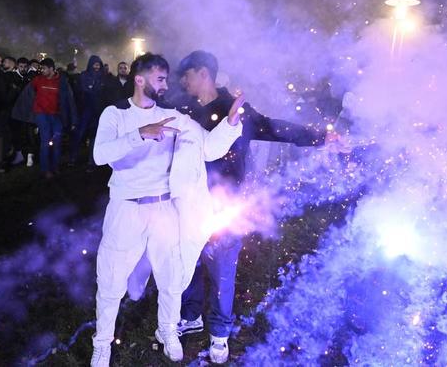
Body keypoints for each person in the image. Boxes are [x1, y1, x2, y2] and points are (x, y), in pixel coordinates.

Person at [174, 50, 349, 363]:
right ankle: (190, 315)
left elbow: (274, 128)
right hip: (188, 201)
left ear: (203, 73)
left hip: (225, 204)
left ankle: (219, 332)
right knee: (188, 261)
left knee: (222, 268)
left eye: (186, 76)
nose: (182, 82)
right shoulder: (184, 110)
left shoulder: (235, 109)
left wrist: (322, 137)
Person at [89, 53, 245, 367]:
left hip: (164, 208)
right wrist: (139, 134)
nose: (165, 85)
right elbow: (100, 155)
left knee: (172, 278)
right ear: (139, 79)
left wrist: (230, 125)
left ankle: (168, 330)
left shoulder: (173, 117)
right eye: (160, 79)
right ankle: (102, 343)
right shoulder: (115, 114)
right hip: (126, 210)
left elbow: (208, 148)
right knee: (111, 280)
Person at [29, 58, 76, 178]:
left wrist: (73, 118)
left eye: (44, 68)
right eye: (41, 68)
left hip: (56, 115)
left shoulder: (62, 82)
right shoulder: (37, 80)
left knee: (57, 141)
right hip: (41, 114)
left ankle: (55, 166)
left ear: (51, 69)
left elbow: (69, 100)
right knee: (45, 141)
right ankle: (45, 169)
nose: (42, 70)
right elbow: (29, 94)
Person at [71, 55, 106, 167]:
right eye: (95, 64)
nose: (96, 67)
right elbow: (81, 90)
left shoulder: (104, 77)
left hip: (98, 110)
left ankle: (91, 161)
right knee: (79, 135)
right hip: (85, 110)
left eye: (98, 65)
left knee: (94, 136)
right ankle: (73, 158)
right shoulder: (84, 75)